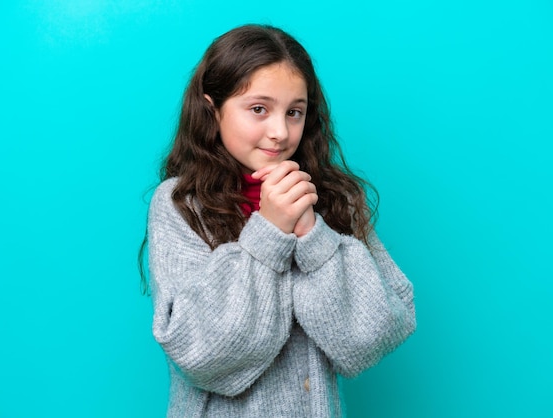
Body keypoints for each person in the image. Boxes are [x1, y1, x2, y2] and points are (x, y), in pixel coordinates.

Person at [141, 24, 416, 417]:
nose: (280, 132)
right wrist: (269, 232)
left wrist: (312, 235)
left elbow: (374, 336)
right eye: (258, 109)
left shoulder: (332, 198)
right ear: (212, 108)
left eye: (294, 112)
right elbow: (199, 354)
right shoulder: (180, 203)